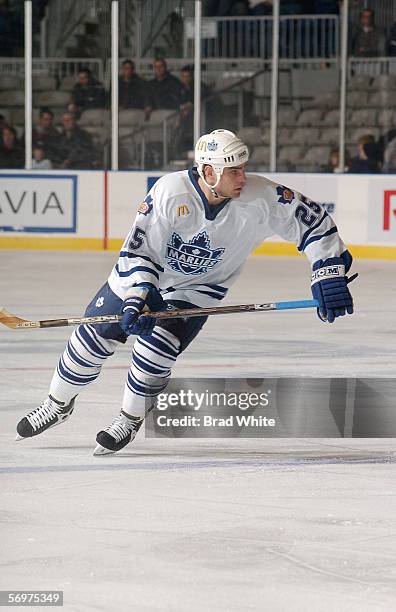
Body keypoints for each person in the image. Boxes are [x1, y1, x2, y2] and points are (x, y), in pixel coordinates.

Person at [16, 129, 356, 455]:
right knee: (93, 338)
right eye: (233, 170)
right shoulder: (170, 191)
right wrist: (140, 294)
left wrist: (327, 272)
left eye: (243, 169)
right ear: (209, 171)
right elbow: (140, 250)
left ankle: (130, 418)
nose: (242, 178)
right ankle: (57, 404)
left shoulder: (261, 197)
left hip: (199, 288)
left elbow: (314, 222)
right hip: (144, 277)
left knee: (155, 352)